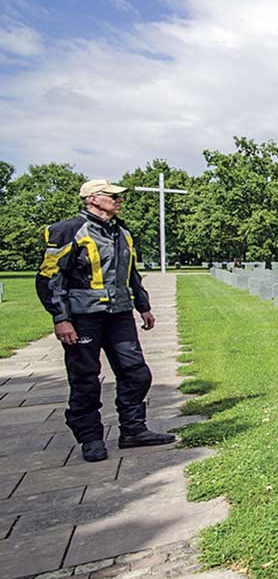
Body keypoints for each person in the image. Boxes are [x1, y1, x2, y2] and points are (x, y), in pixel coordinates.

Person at [35, 179, 176, 462]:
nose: (118, 200)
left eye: (118, 196)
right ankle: (91, 439)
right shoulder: (69, 231)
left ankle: (133, 430)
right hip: (83, 317)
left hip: (120, 315)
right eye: (112, 196)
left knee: (136, 373)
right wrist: (61, 319)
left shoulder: (122, 232)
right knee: (86, 380)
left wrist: (143, 305)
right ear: (92, 199)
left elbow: (131, 272)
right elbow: (49, 279)